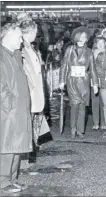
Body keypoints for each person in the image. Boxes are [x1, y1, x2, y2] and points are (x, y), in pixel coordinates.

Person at [0, 23, 32, 193]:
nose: (22, 40)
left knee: (16, 146)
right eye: (19, 37)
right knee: (6, 147)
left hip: (18, 109)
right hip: (8, 111)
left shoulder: (15, 54)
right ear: (9, 36)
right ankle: (2, 183)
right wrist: (10, 104)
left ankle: (12, 179)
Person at [20, 16, 50, 163]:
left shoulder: (31, 46)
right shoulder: (22, 48)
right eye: (35, 31)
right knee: (30, 121)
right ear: (30, 31)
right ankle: (28, 153)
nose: (36, 34)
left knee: (36, 119)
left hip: (36, 90)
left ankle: (33, 147)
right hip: (31, 91)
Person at [59, 26, 99, 138]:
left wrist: (95, 84)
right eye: (80, 37)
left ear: (87, 39)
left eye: (84, 38)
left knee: (82, 106)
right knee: (74, 105)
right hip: (72, 81)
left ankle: (80, 130)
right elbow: (64, 66)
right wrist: (62, 80)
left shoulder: (89, 52)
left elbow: (93, 69)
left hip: (84, 82)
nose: (82, 40)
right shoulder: (69, 50)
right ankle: (73, 128)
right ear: (76, 38)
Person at [91, 36, 106, 130]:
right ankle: (96, 123)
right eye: (98, 43)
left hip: (105, 79)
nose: (100, 44)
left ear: (105, 43)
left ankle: (104, 123)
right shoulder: (92, 53)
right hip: (94, 79)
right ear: (96, 44)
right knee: (95, 101)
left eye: (102, 42)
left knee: (104, 101)